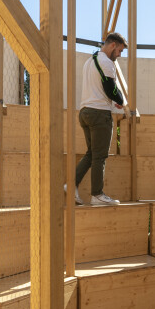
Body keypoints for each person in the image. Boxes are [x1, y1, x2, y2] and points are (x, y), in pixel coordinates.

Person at [66, 32, 127, 206]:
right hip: (100, 114)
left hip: (85, 111)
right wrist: (121, 100)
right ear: (113, 45)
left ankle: (71, 185)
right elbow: (110, 89)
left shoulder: (90, 61)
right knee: (100, 156)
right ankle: (97, 195)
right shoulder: (107, 62)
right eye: (120, 50)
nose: (119, 55)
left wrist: (114, 99)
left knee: (91, 153)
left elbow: (101, 88)